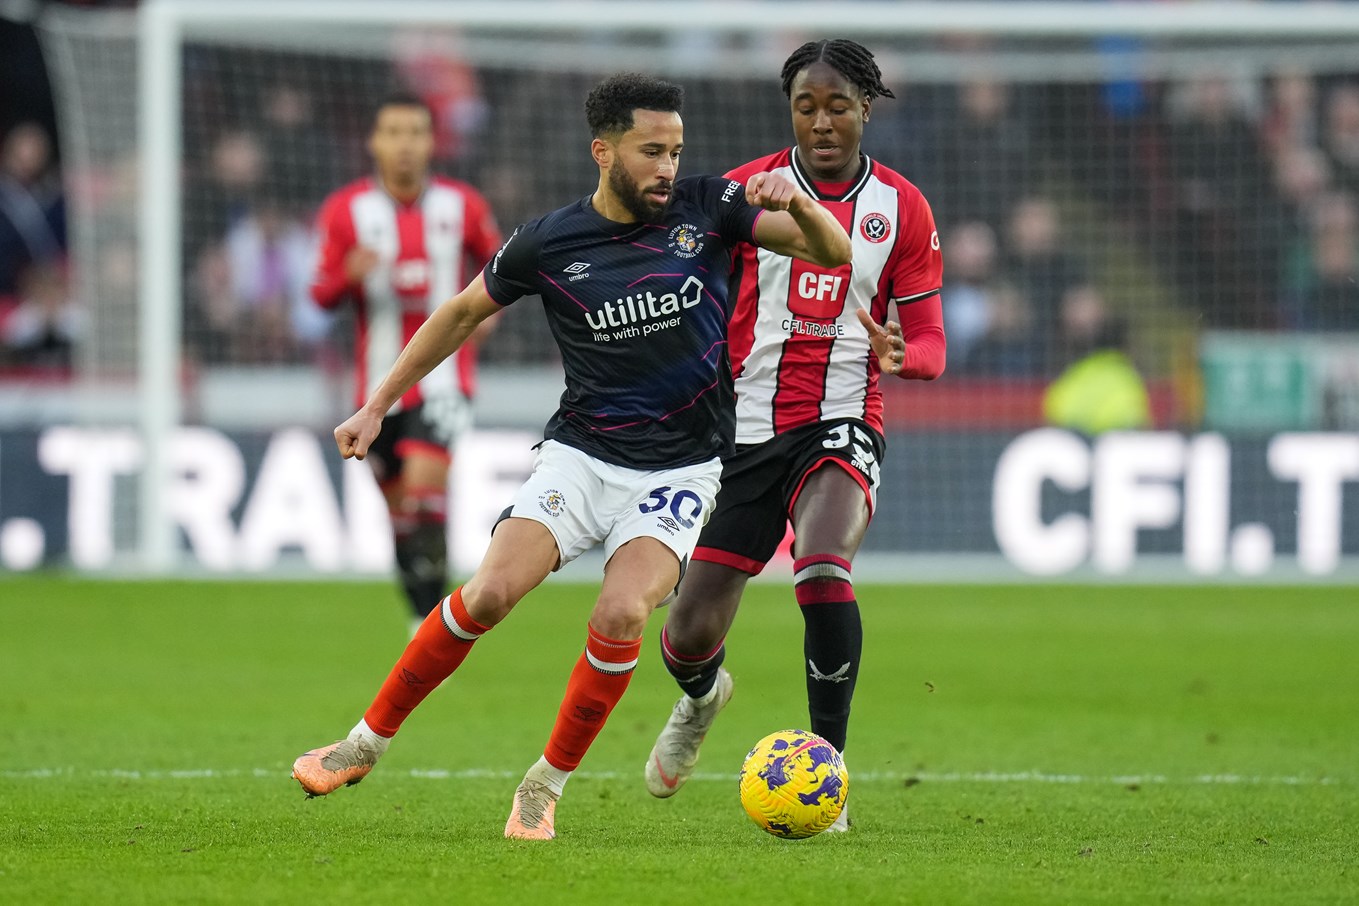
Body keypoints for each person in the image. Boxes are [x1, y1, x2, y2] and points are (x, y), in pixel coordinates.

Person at [291, 72, 852, 840]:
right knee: (487, 594)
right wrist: (377, 403)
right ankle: (363, 741)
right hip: (581, 457)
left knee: (622, 611)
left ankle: (542, 785)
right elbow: (457, 314)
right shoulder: (550, 242)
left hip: (680, 469)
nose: (666, 166)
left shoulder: (709, 207)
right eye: (651, 151)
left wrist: (800, 207)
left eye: (675, 150)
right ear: (603, 151)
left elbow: (835, 254)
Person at [643, 40, 946, 833]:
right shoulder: (746, 191)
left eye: (837, 106)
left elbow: (931, 345)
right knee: (685, 633)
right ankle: (703, 699)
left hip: (843, 421)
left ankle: (827, 775)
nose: (821, 121)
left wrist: (901, 354)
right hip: (740, 432)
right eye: (805, 107)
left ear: (864, 109)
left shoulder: (902, 208)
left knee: (819, 565)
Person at [310, 94, 503, 634]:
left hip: (447, 377)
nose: (404, 143)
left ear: (431, 141)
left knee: (423, 490)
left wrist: (491, 311)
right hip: (375, 387)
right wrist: (347, 274)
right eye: (393, 131)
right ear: (374, 142)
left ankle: (429, 623)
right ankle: (420, 604)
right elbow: (319, 294)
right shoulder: (345, 211)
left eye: (416, 132)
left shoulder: (462, 205)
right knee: (399, 508)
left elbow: (504, 264)